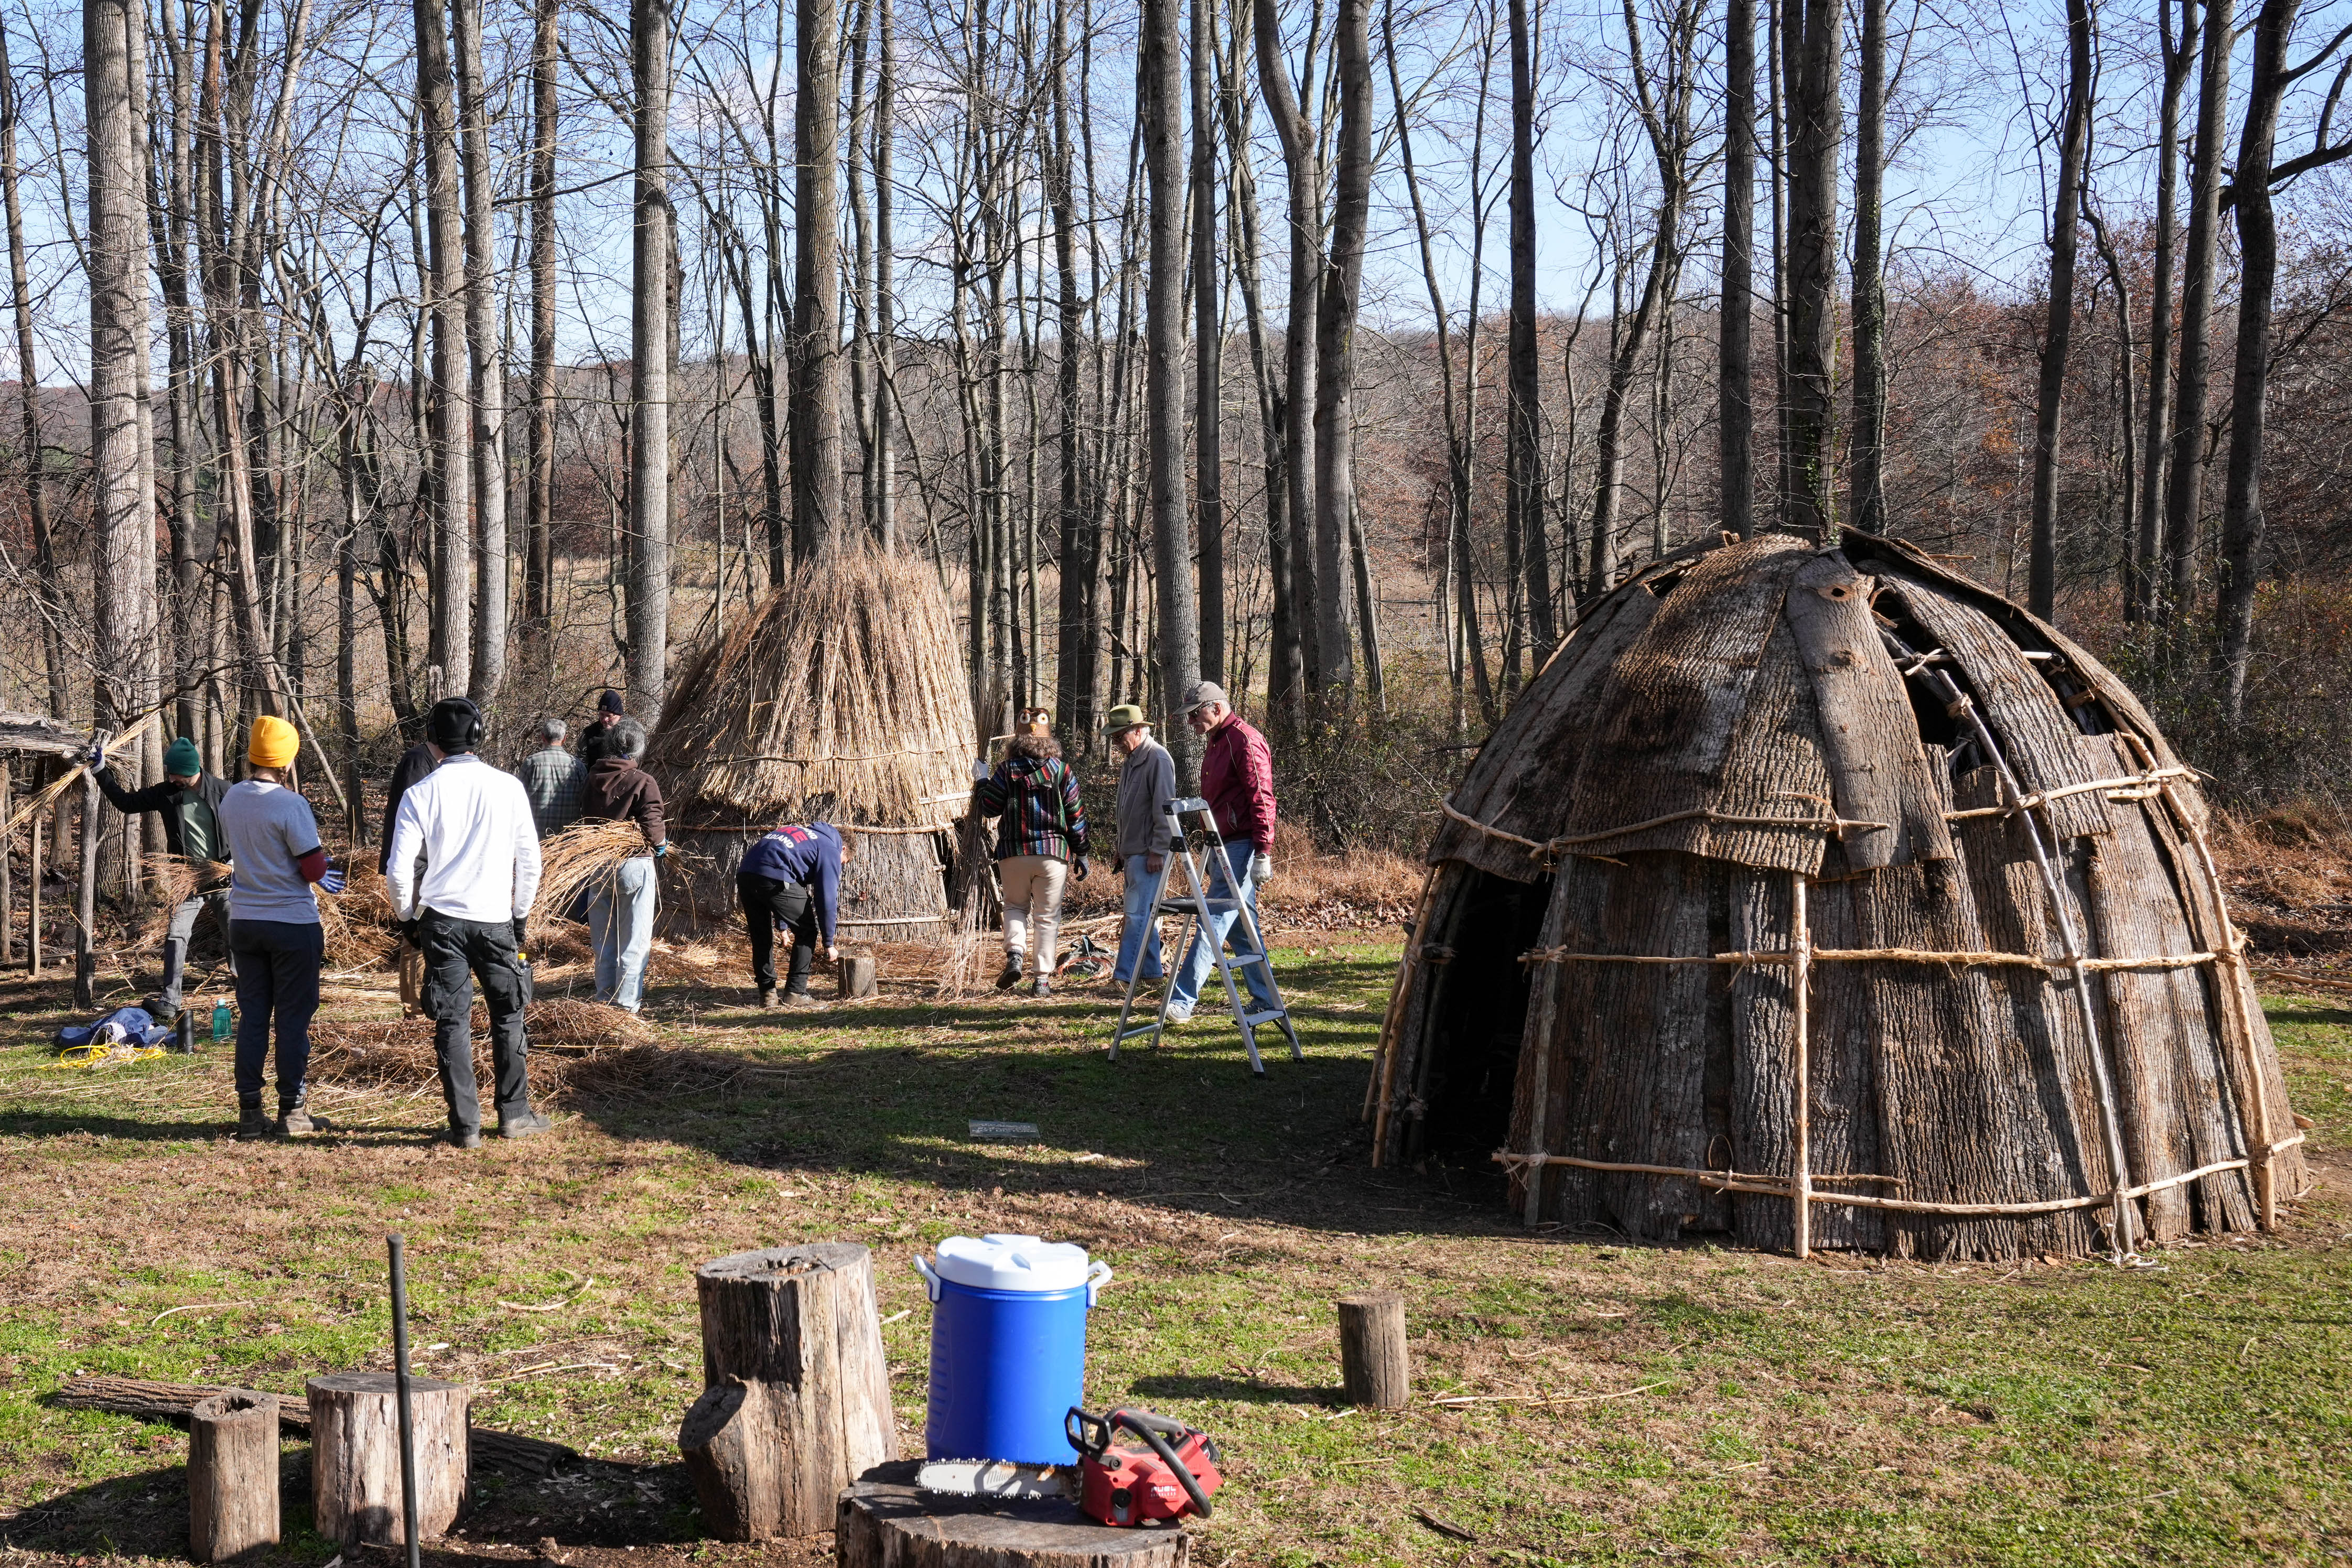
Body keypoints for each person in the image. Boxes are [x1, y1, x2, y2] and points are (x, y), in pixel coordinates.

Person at [385, 697, 550, 1148]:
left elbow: (398, 871)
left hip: (441, 922)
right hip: (495, 919)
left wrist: (407, 919)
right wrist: (521, 916)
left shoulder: (421, 793)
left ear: (433, 741)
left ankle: (465, 1127)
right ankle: (514, 1114)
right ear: (478, 736)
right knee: (509, 1013)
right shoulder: (509, 787)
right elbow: (529, 863)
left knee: (451, 1022)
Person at [218, 716, 344, 1139]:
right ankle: (293, 1111)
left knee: (254, 1017)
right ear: (287, 760)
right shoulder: (292, 804)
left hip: (246, 921)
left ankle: (250, 1113)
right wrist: (322, 869)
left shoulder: (231, 798)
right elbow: (310, 867)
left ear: (254, 754)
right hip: (292, 923)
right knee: (292, 1019)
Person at [89, 734, 232, 1020]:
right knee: (176, 936)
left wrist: (237, 858)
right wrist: (100, 771)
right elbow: (126, 803)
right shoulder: (168, 793)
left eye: (179, 776)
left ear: (194, 771)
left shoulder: (224, 792)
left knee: (236, 935)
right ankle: (170, 1000)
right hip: (188, 881)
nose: (174, 780)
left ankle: (248, 989)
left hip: (225, 879)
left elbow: (247, 825)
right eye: (172, 775)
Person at [1162, 683, 1278, 1025]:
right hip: (1222, 843)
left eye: (1195, 714)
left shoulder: (1244, 740)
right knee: (1242, 928)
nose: (1191, 722)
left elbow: (1262, 797)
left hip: (1241, 845)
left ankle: (1183, 1000)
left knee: (1212, 921)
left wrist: (1263, 850)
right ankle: (1265, 997)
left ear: (1215, 707)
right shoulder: (1217, 740)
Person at [972, 707, 1089, 997]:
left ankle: (1014, 954)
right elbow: (1075, 815)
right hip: (1053, 854)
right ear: (1050, 741)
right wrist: (1082, 852)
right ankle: (1042, 980)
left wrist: (981, 781)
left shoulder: (1005, 771)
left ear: (1017, 740)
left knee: (1015, 907)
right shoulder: (1062, 772)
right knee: (1047, 917)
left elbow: (989, 809)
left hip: (1013, 853)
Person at [581, 716, 668, 1012]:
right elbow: (652, 821)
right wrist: (660, 846)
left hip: (599, 863)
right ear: (638, 748)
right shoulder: (643, 780)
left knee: (604, 939)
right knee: (635, 939)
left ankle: (604, 1001)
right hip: (633, 864)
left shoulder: (593, 778)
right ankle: (627, 1005)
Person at [737, 821, 857, 1008]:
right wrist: (829, 943)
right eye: (843, 862)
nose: (840, 866)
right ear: (843, 848)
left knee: (761, 935)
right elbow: (826, 896)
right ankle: (796, 993)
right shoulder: (829, 847)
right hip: (774, 874)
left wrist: (782, 927)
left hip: (746, 872)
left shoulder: (803, 835)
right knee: (807, 930)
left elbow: (784, 871)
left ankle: (768, 995)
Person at [1103, 705, 1174, 990]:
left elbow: (1165, 809)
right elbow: (1126, 808)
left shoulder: (1158, 758)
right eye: (1115, 739)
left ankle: (1124, 978)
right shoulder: (1131, 760)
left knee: (1136, 916)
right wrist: (1121, 847)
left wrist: (1159, 850)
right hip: (1133, 852)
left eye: (1121, 737)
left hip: (1149, 854)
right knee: (1146, 914)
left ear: (1139, 730)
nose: (1117, 744)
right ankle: (1152, 975)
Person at [381, 731, 443, 1018]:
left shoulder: (429, 762)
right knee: (415, 940)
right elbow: (411, 824)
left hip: (431, 865)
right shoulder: (419, 762)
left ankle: (427, 1004)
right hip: (416, 866)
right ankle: (414, 1010)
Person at [515, 717, 588, 839]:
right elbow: (585, 802)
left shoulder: (531, 763)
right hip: (568, 838)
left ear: (543, 737)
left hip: (536, 835)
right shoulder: (577, 766)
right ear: (565, 739)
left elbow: (518, 799)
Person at [577, 689, 627, 765]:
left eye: (610, 716)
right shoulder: (588, 734)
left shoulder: (630, 734)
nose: (605, 720)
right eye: (602, 714)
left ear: (620, 716)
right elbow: (580, 765)